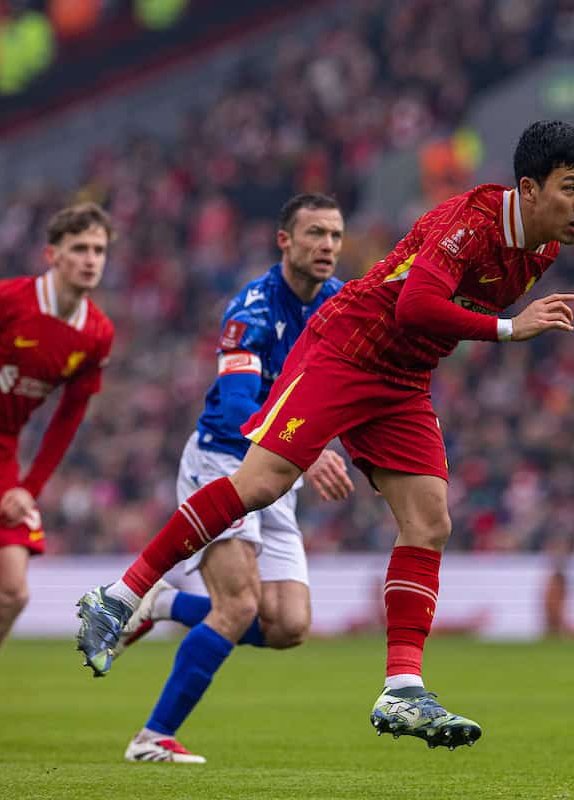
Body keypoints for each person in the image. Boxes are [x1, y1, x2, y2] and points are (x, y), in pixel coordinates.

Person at [76, 119, 574, 750]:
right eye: (570, 187)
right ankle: (119, 595)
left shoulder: (543, 245)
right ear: (528, 187)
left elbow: (431, 324)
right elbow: (413, 306)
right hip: (348, 349)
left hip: (405, 377)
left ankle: (402, 688)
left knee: (430, 520)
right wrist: (508, 329)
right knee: (262, 483)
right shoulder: (473, 222)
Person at [119, 193, 354, 764]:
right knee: (239, 605)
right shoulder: (249, 311)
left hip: (277, 474)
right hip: (223, 465)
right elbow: (233, 408)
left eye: (335, 236)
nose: (327, 246)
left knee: (290, 625)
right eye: (315, 234)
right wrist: (305, 446)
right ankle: (152, 738)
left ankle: (164, 605)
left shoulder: (341, 304)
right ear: (285, 241)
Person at [0, 203, 115, 745]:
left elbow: (69, 418)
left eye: (98, 250)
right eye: (80, 250)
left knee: (12, 596)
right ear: (53, 255)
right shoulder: (7, 299)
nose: (91, 260)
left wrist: (29, 487)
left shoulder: (95, 333)